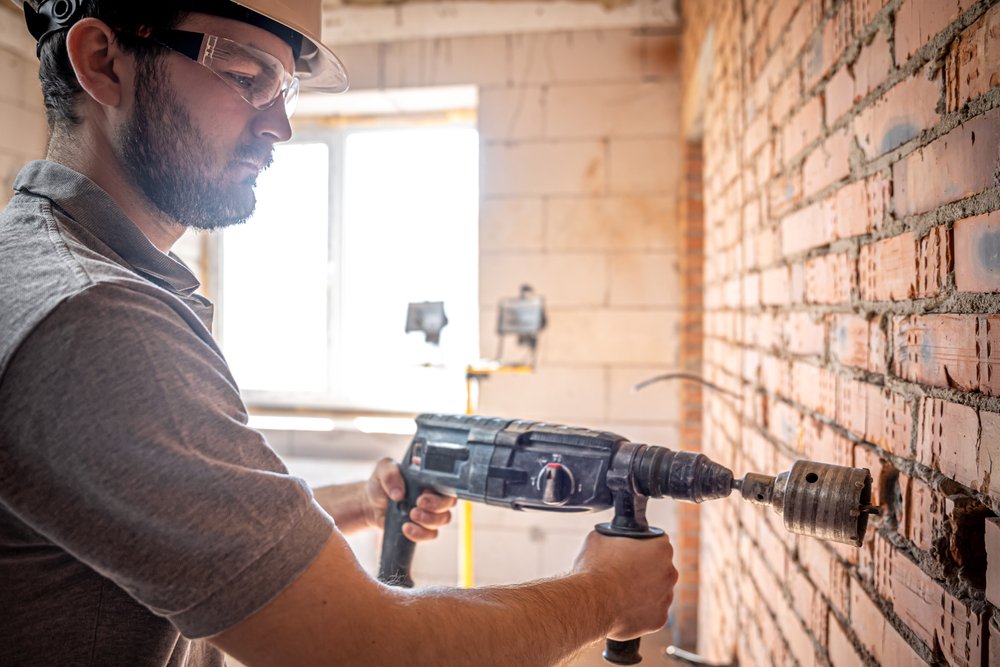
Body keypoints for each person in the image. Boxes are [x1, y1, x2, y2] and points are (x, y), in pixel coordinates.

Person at [0, 0, 679, 665]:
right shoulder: (100, 319)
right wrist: (607, 590)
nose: (282, 126)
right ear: (102, 61)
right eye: (246, 77)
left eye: (287, 89)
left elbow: (140, 530)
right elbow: (372, 648)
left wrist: (340, 508)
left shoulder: (38, 266)